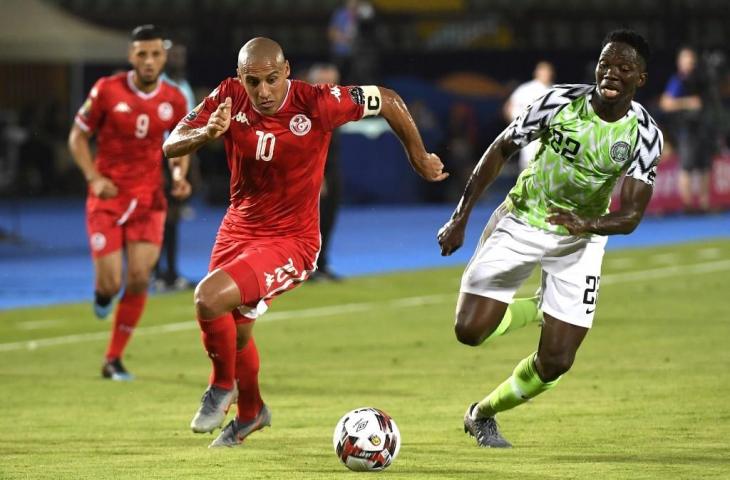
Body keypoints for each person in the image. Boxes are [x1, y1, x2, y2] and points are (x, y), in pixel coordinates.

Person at [163, 37, 447, 448]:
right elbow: (171, 143)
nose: (262, 92)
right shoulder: (227, 95)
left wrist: (417, 155)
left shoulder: (317, 102)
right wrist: (206, 133)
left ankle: (221, 388)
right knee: (237, 332)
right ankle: (251, 413)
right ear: (240, 77)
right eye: (253, 81)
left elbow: (386, 98)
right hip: (237, 230)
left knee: (209, 298)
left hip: (291, 240)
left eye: (271, 80)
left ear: (287, 71)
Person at [437, 30, 663, 448]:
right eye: (605, 64)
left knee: (557, 360)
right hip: (524, 218)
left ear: (640, 79)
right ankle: (541, 307)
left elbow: (631, 216)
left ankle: (481, 414)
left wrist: (587, 224)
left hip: (581, 237)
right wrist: (460, 217)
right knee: (469, 332)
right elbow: (501, 148)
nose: (611, 73)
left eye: (623, 68)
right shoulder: (559, 102)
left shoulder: (644, 135)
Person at [68, 25, 192, 381]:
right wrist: (93, 177)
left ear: (164, 57)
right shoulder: (107, 90)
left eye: (155, 54)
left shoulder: (174, 99)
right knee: (110, 283)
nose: (149, 61)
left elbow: (180, 147)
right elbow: (77, 136)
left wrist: (180, 175)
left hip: (148, 200)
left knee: (138, 279)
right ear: (130, 56)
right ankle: (103, 298)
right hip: (107, 197)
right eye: (142, 54)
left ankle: (113, 359)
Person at [155, 43, 198, 291]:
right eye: (173, 55)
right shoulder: (157, 86)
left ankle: (170, 271)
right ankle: (156, 272)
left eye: (181, 55)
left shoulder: (183, 85)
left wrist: (193, 163)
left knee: (172, 216)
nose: (178, 59)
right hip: (159, 156)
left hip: (180, 154)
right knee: (159, 216)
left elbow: (190, 124)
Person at [659, 47, 713, 213]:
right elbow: (665, 104)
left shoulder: (701, 79)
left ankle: (704, 205)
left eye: (691, 60)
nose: (689, 63)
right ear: (680, 62)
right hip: (685, 129)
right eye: (686, 60)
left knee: (705, 166)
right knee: (687, 167)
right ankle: (688, 205)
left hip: (702, 127)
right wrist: (688, 102)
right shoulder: (678, 80)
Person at [307, 63, 343, 281]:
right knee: (314, 222)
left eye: (333, 84)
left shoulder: (334, 106)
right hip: (316, 173)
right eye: (324, 84)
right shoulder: (307, 110)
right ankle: (308, 267)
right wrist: (318, 177)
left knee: (329, 219)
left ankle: (322, 263)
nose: (329, 88)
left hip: (334, 169)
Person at [503, 61, 555, 171]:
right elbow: (508, 107)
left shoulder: (554, 90)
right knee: (528, 174)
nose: (545, 74)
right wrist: (516, 128)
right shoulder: (526, 89)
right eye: (542, 71)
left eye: (547, 71)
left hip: (550, 141)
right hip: (530, 141)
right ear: (536, 73)